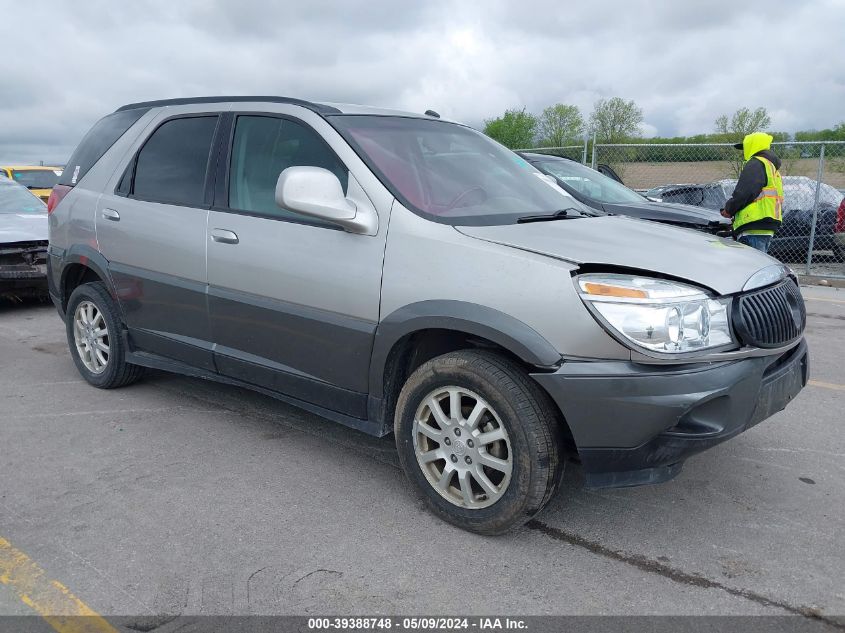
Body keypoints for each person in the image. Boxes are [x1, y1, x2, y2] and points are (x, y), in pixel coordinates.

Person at [720, 132, 783, 253]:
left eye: (745, 147)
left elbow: (744, 193)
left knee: (748, 267)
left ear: (752, 145)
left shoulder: (756, 163)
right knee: (758, 264)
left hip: (753, 224)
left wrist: (728, 209)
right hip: (765, 225)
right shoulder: (770, 166)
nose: (743, 151)